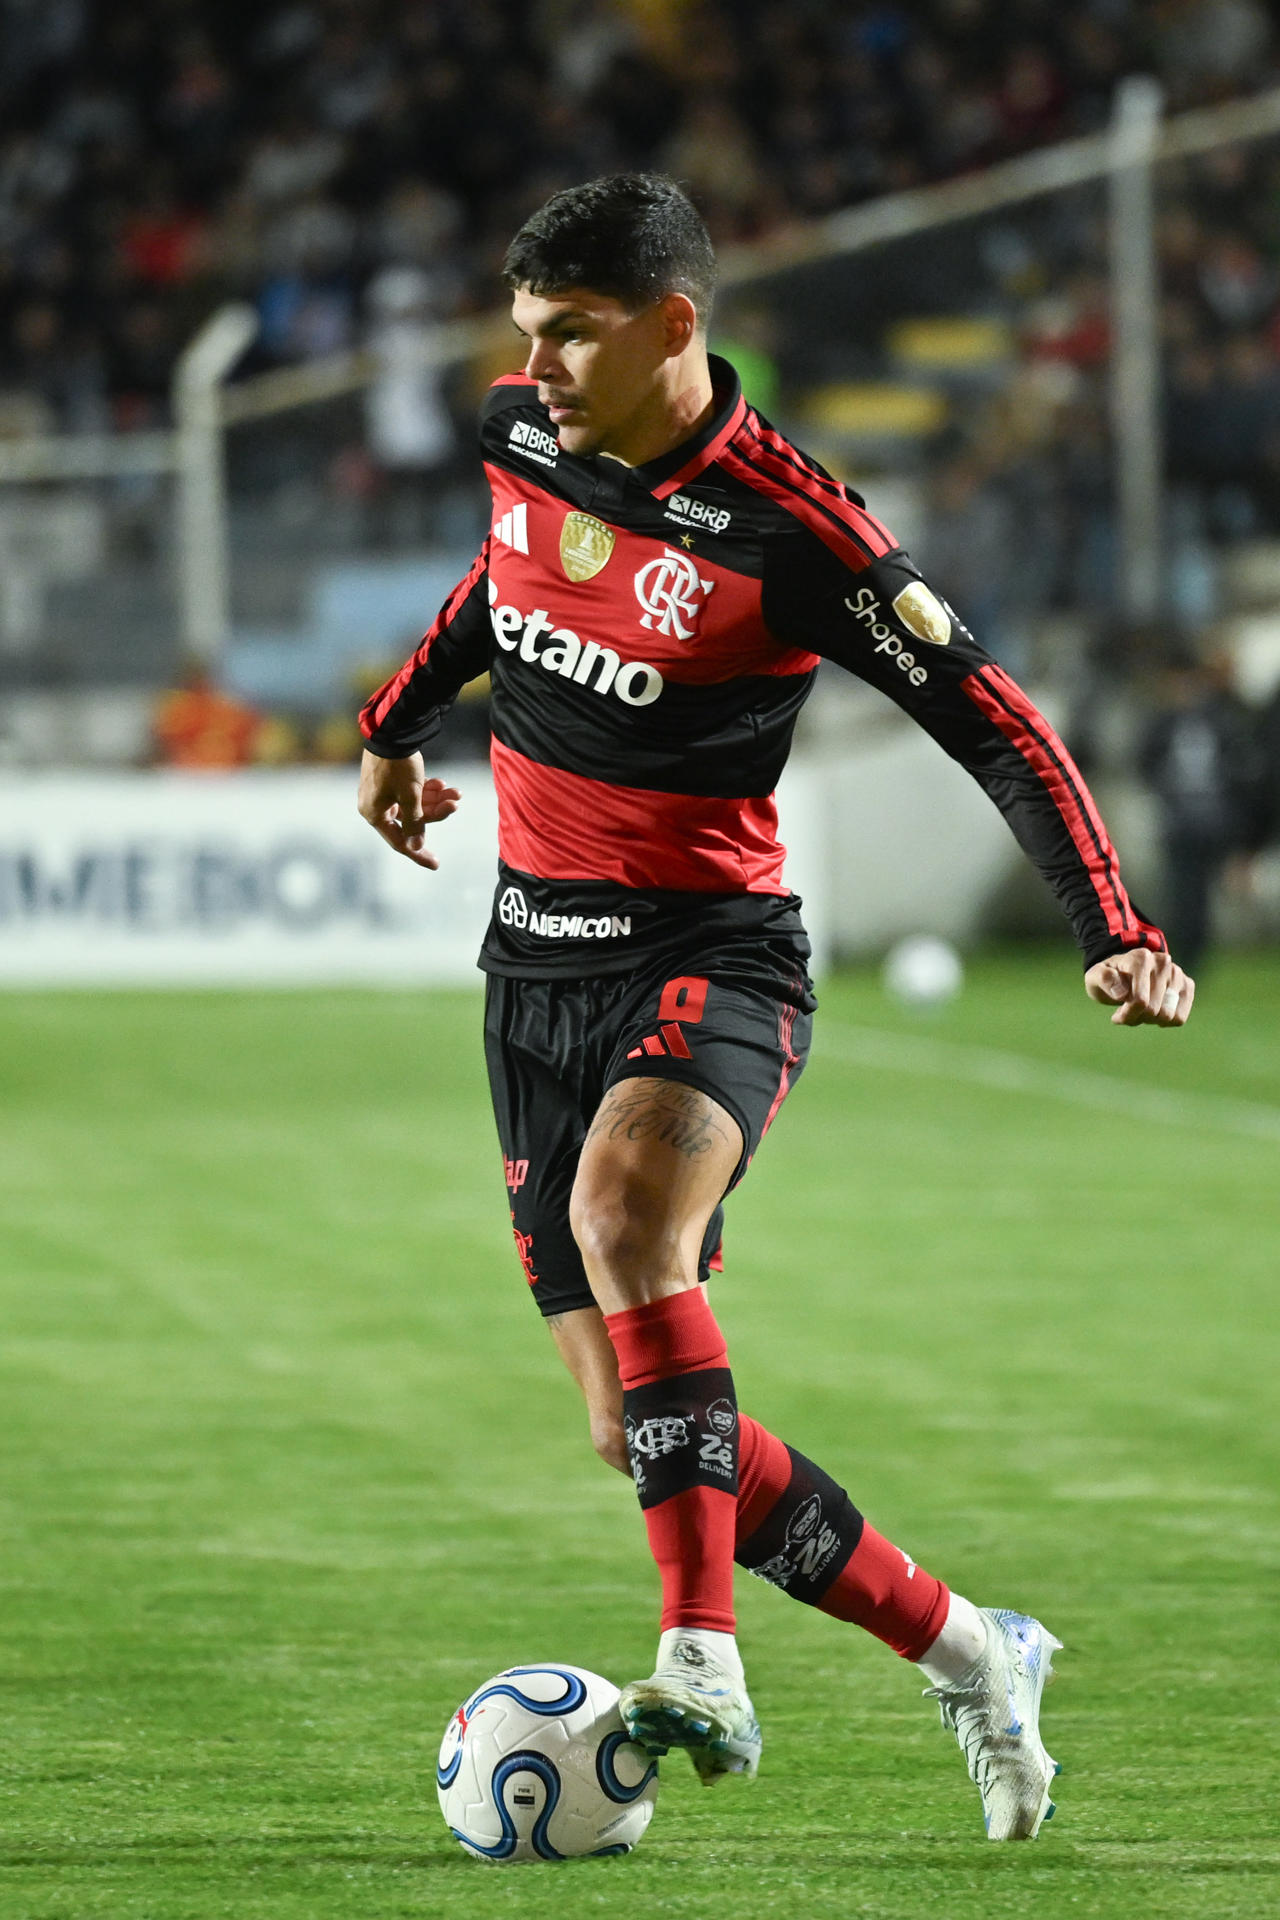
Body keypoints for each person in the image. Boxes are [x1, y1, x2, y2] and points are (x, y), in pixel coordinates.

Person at [356, 174, 1194, 1842]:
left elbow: (997, 722)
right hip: (532, 976)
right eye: (524, 334)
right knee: (642, 1431)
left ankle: (701, 1657)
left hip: (709, 955)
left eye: (572, 333)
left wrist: (1110, 917)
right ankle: (971, 1646)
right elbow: (501, 593)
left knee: (625, 1216)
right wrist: (394, 724)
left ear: (677, 322)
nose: (537, 368)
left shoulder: (797, 533)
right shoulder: (529, 441)